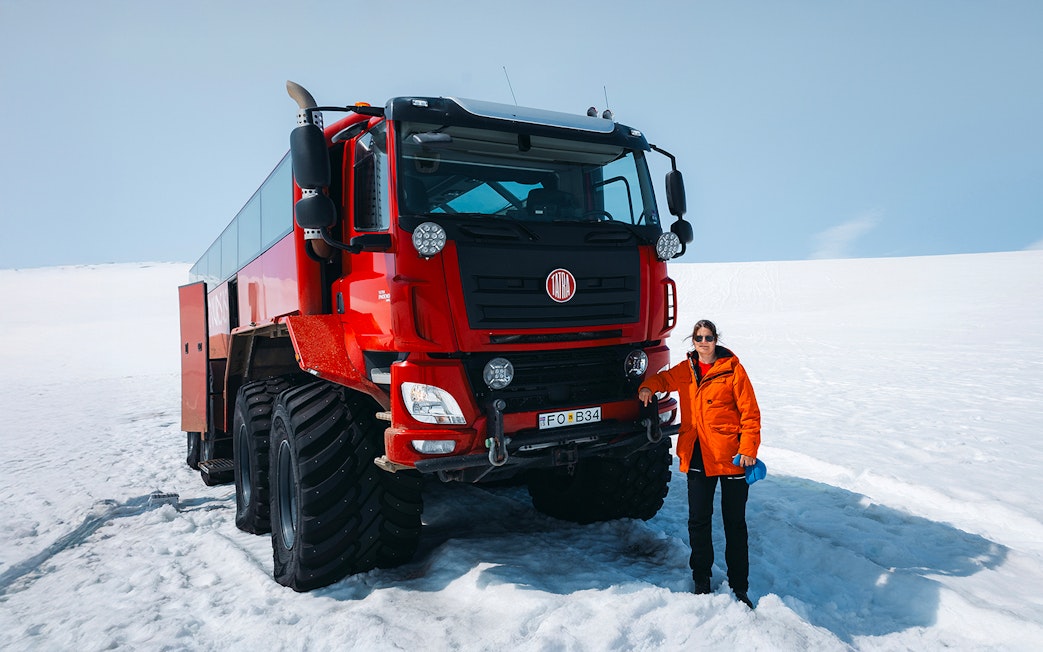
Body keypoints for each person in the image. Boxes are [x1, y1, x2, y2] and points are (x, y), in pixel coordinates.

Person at [638, 319, 761, 608]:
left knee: (734, 524)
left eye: (708, 337)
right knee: (698, 522)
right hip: (696, 454)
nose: (703, 342)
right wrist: (647, 387)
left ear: (716, 339)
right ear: (692, 341)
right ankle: (701, 580)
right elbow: (662, 380)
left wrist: (748, 449)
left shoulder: (733, 371)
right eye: (698, 337)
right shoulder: (686, 371)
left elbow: (750, 413)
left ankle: (739, 587)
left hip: (731, 456)